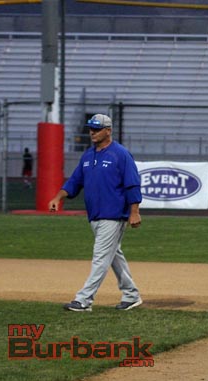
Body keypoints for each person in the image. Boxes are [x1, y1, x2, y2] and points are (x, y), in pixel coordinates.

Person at [48, 114, 143, 312]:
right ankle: (132, 294)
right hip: (95, 215)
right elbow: (74, 181)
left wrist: (134, 211)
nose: (92, 132)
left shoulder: (120, 154)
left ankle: (84, 300)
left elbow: (132, 184)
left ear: (108, 130)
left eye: (97, 129)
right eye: (91, 128)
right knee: (113, 255)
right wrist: (58, 198)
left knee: (100, 257)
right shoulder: (88, 156)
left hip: (114, 214)